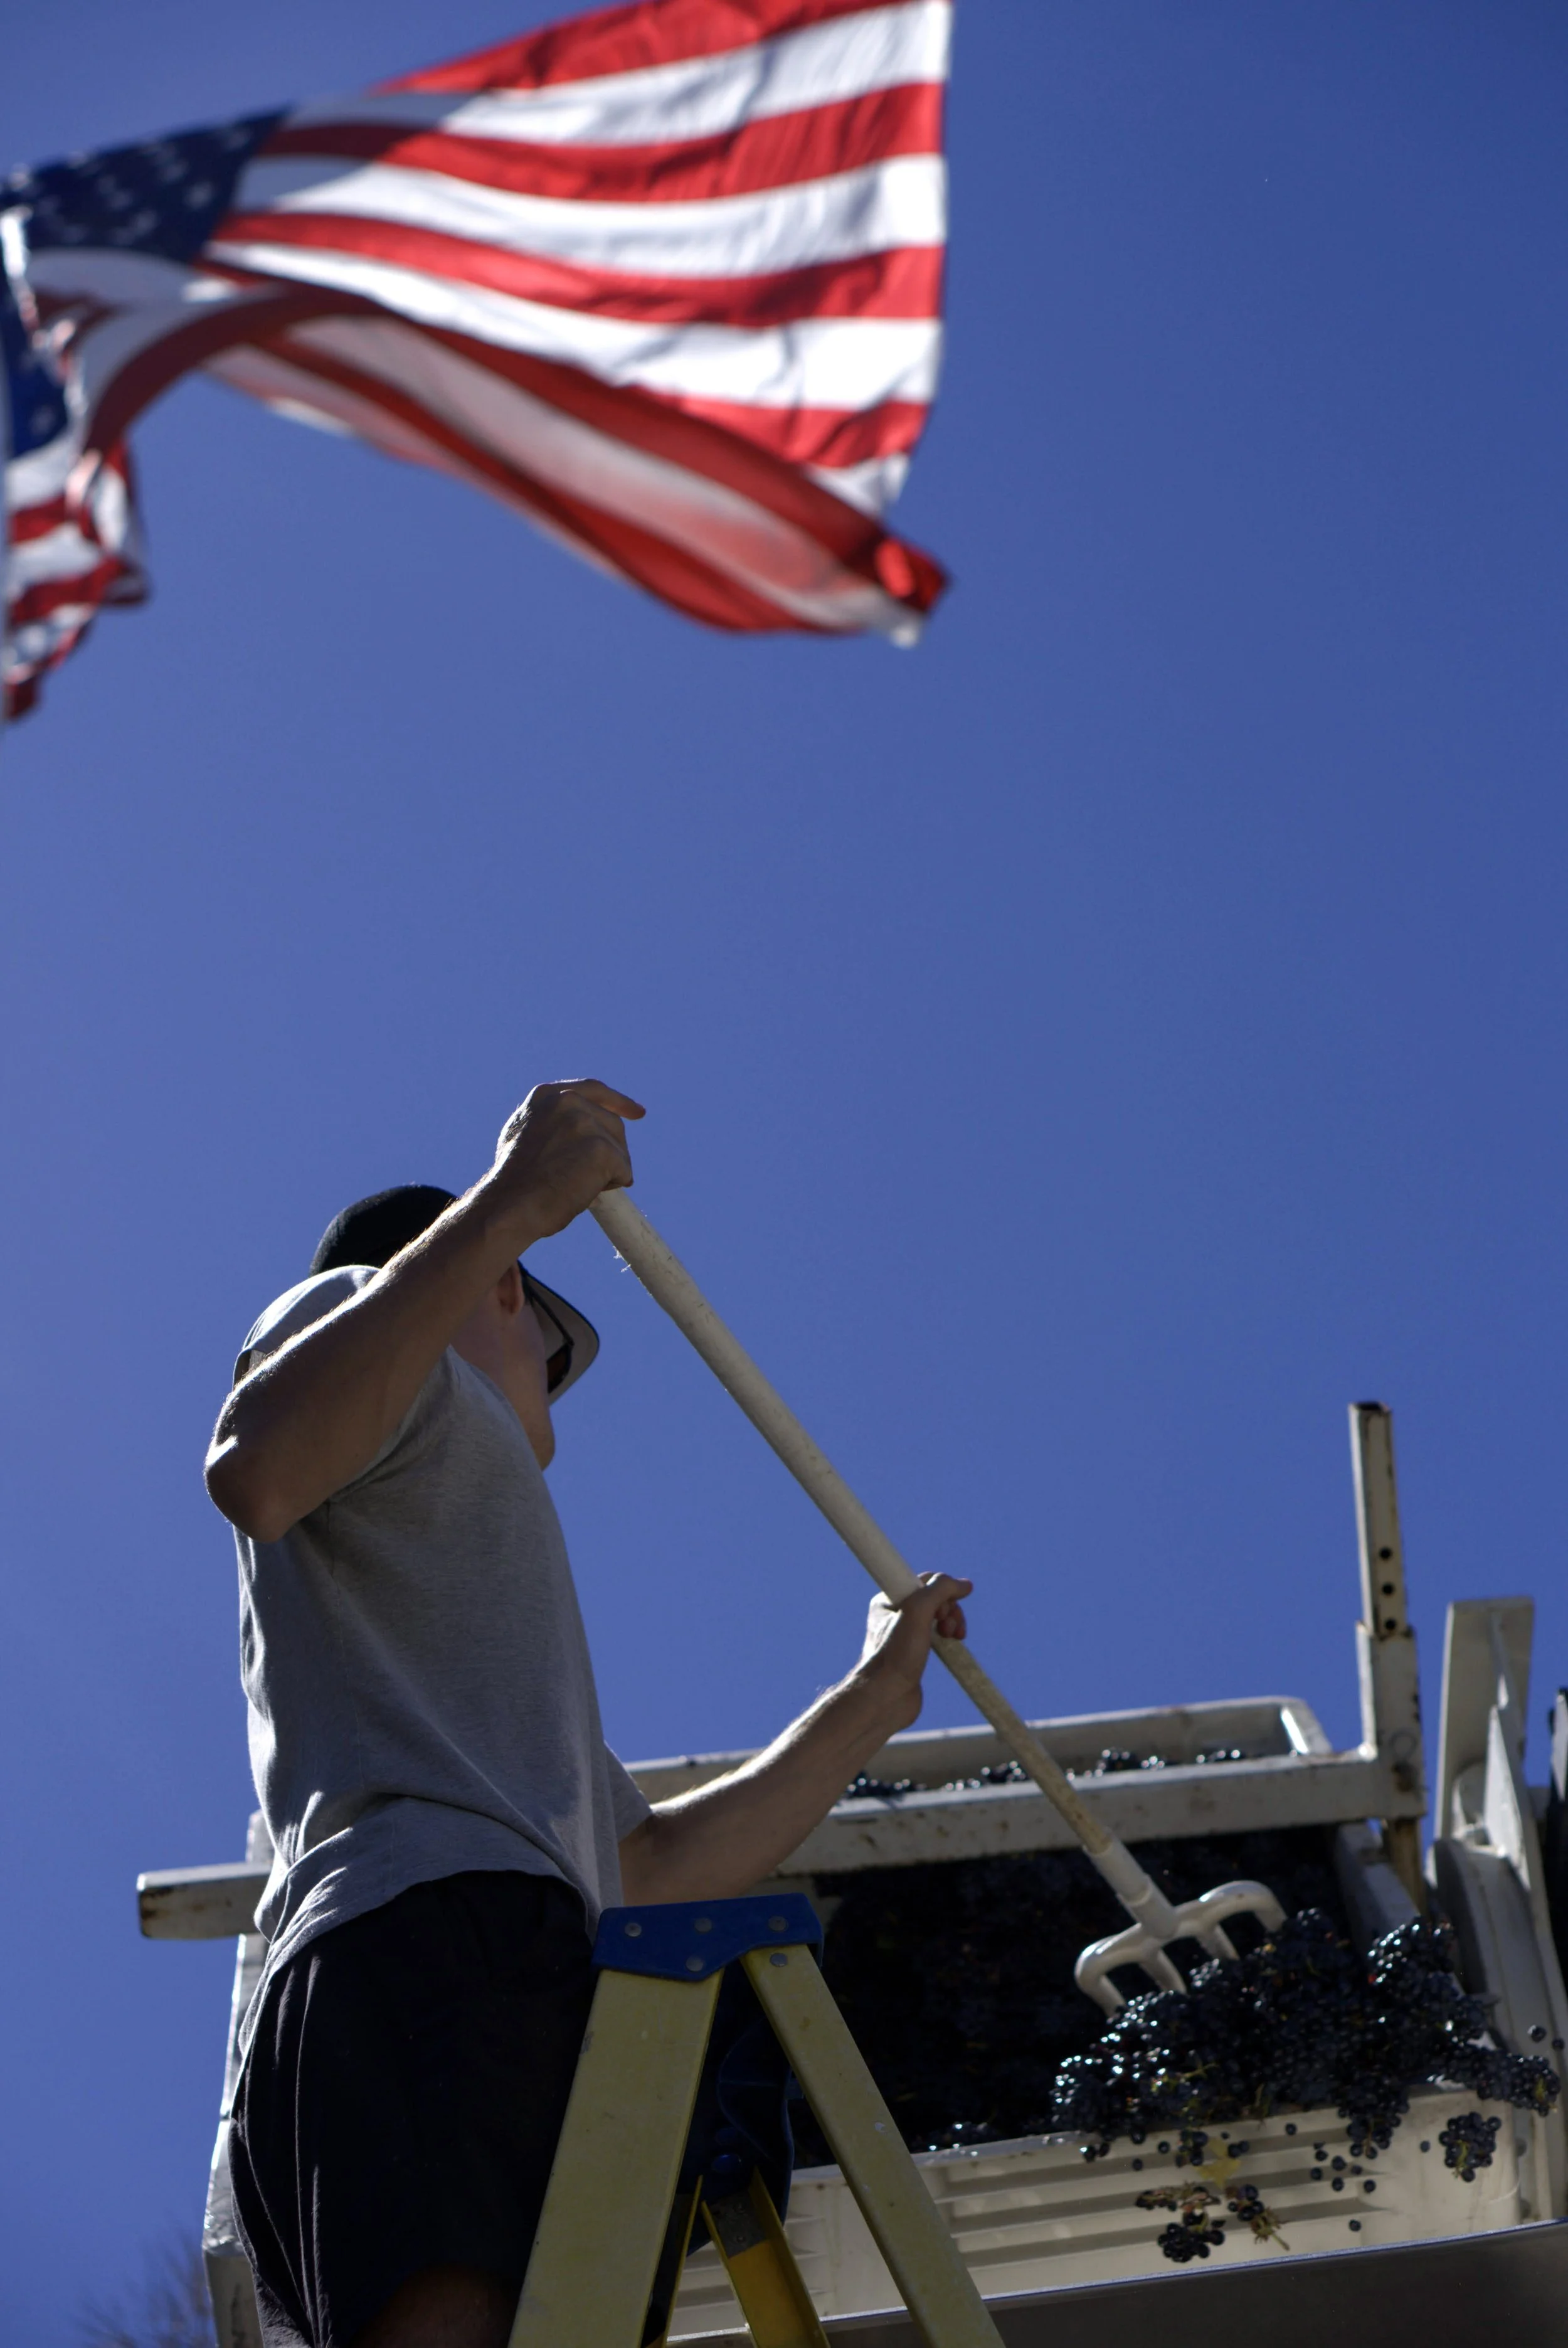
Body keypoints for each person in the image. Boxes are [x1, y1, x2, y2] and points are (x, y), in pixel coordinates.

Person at [204, 1079, 971, 2348]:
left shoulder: (466, 1635)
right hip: (431, 1943)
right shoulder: (351, 1323)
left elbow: (653, 1865)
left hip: (473, 1944)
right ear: (504, 1293)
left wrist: (871, 1699)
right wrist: (509, 1203)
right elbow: (262, 1463)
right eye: (552, 1353)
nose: (550, 1403)